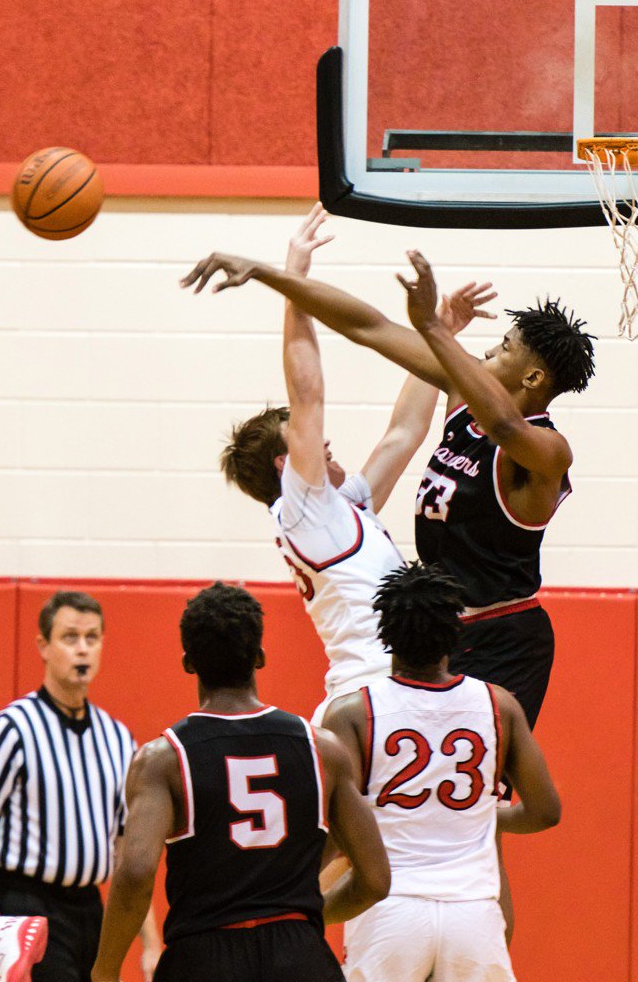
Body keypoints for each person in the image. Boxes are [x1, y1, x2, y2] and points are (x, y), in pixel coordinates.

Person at [180, 247, 594, 735]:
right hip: (433, 634)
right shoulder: (461, 400)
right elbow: (368, 327)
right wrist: (272, 275)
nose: (486, 353)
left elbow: (502, 424)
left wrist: (437, 330)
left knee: (472, 794)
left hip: (502, 634)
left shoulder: (548, 452)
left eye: (502, 348)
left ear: (532, 377)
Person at [211, 207, 496, 722]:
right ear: (285, 463)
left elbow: (404, 433)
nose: (322, 443)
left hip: (391, 687)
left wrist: (442, 340)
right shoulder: (300, 506)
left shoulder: (336, 508)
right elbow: (308, 392)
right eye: (303, 439)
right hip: (368, 692)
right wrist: (292, 280)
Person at [90, 582, 391, 982]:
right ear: (260, 657)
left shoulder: (162, 760)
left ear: (188, 662)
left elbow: (136, 871)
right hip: (300, 956)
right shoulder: (323, 749)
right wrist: (305, 917)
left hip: (203, 957)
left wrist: (105, 970)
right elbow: (375, 879)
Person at [322, 561, 561, 982]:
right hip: (473, 914)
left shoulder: (352, 712)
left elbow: (333, 825)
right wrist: (475, 813)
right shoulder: (499, 704)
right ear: (456, 632)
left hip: (388, 912)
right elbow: (544, 812)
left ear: (386, 635)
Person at [0, 591, 162, 982]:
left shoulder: (118, 739)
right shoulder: (12, 729)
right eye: (70, 637)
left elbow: (130, 852)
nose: (82, 650)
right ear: (43, 646)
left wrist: (151, 945)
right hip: (27, 905)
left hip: (91, 910)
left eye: (92, 638)